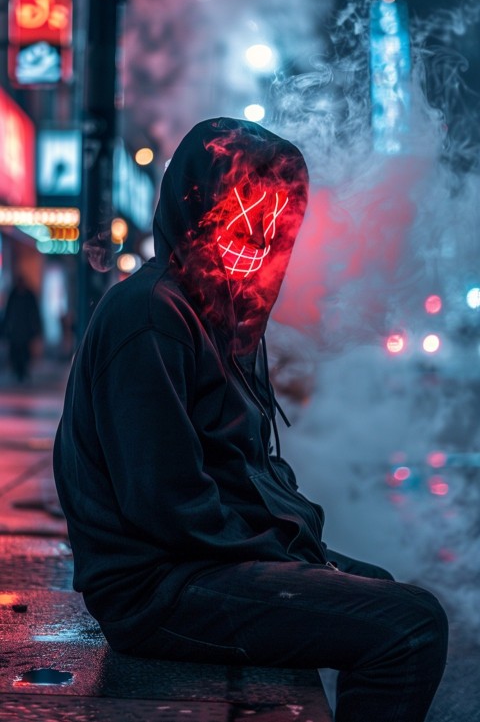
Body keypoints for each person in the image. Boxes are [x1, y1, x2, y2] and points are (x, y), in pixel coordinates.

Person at [54, 118, 448, 722]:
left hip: (196, 567)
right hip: (160, 589)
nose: (261, 232)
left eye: (278, 215)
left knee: (385, 592)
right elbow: (166, 502)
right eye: (242, 205)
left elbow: (249, 468)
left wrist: (299, 541)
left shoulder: (221, 318)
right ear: (196, 205)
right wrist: (287, 553)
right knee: (409, 627)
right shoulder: (152, 316)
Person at [2, 273, 42, 382]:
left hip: (25, 330)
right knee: (16, 352)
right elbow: (8, 313)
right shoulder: (14, 295)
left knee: (24, 352)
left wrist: (37, 329)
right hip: (16, 330)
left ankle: (23, 371)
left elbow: (35, 313)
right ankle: (18, 371)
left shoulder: (27, 295)